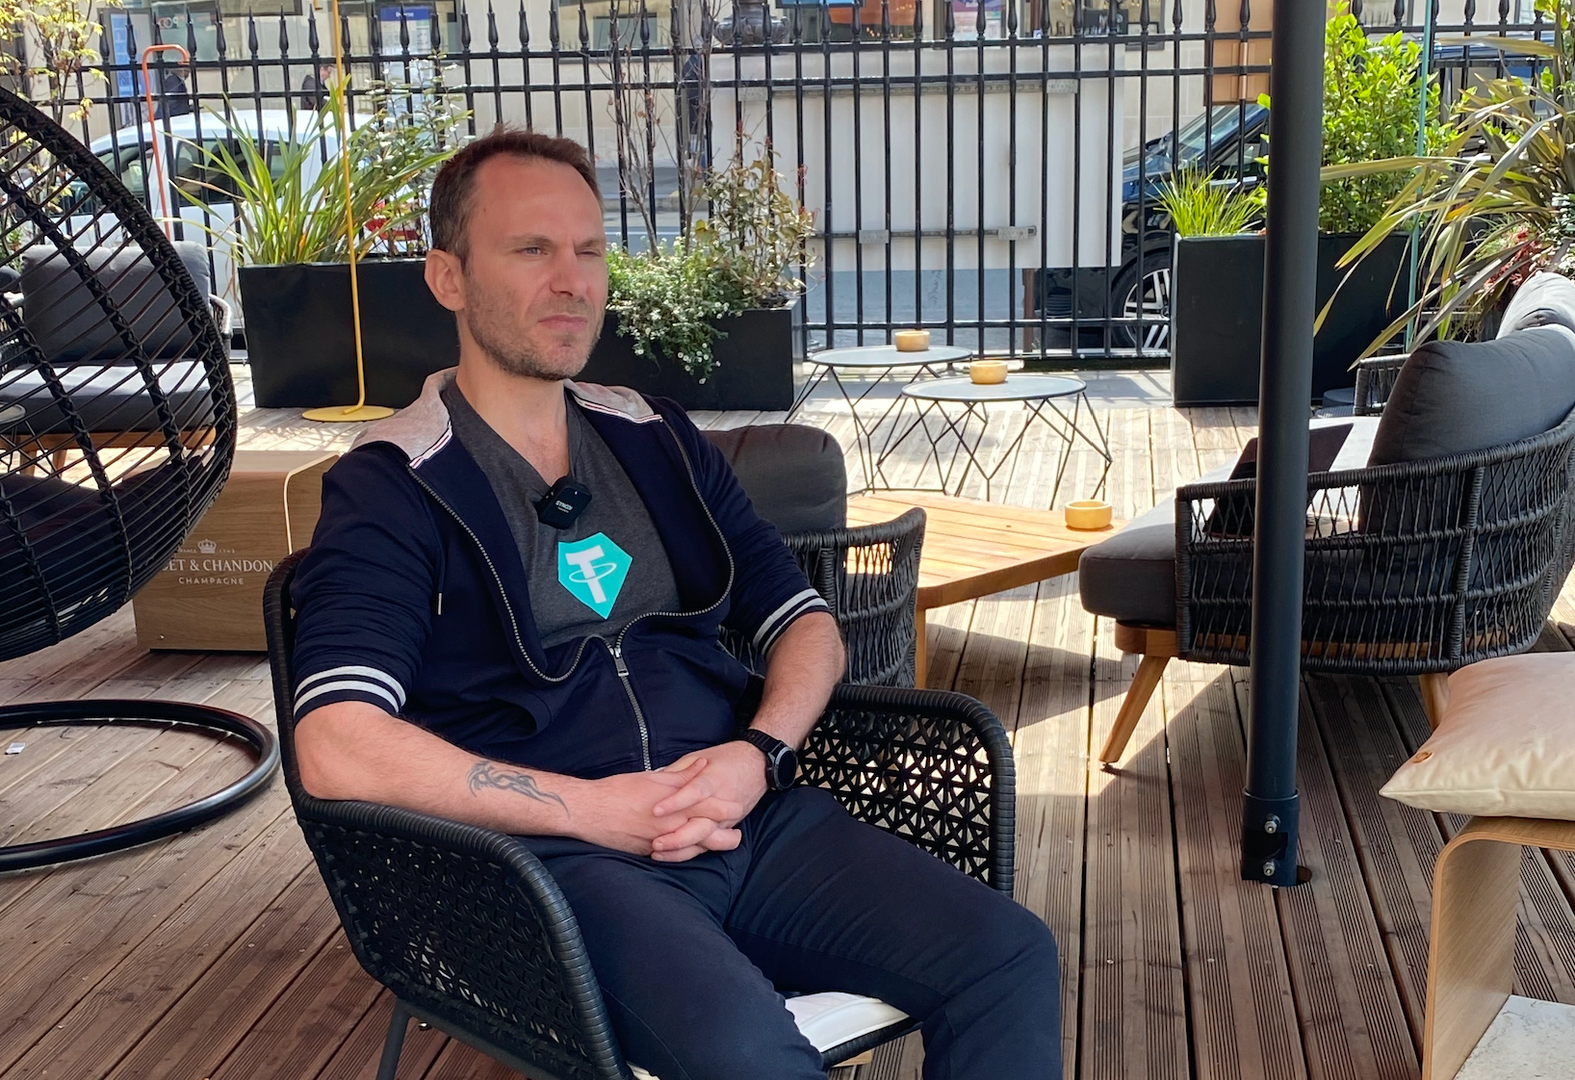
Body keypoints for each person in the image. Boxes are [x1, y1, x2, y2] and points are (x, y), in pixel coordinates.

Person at [289, 128, 1061, 1080]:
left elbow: (805, 622)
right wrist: (588, 810)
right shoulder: (395, 484)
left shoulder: (654, 437)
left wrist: (757, 753)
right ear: (448, 277)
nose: (571, 281)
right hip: (552, 869)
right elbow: (336, 742)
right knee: (747, 1056)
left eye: (589, 249)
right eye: (531, 249)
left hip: (744, 816)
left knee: (1006, 955)